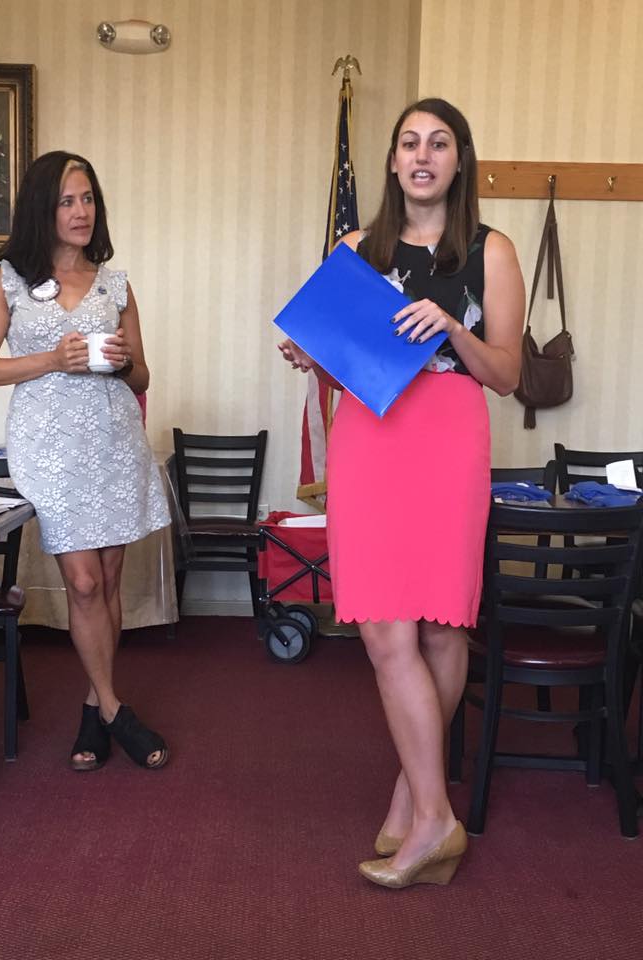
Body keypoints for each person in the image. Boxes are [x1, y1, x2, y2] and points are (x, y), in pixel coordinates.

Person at [279, 99, 524, 888]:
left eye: (439, 143)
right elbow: (345, 355)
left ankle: (417, 811)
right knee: (386, 631)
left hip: (448, 437)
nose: (423, 155)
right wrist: (312, 355)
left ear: (460, 160)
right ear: (392, 160)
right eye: (410, 142)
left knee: (444, 630)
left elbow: (507, 373)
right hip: (370, 439)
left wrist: (451, 326)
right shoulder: (357, 248)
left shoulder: (491, 250)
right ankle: (434, 814)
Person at [0, 151, 171, 772]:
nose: (81, 212)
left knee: (106, 581)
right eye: (66, 201)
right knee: (82, 582)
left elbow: (142, 375)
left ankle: (92, 707)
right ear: (42, 208)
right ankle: (117, 710)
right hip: (48, 448)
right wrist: (53, 359)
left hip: (113, 441)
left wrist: (121, 361)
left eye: (87, 199)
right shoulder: (9, 280)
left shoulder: (116, 283)